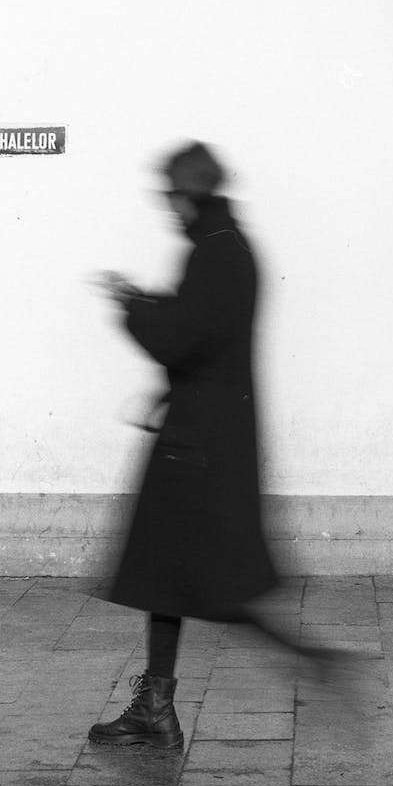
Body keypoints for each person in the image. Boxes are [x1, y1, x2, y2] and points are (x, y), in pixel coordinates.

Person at [88, 141, 280, 750]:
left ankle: (321, 668)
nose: (168, 208)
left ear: (189, 193)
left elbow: (181, 340)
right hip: (201, 436)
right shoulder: (225, 248)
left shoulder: (215, 255)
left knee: (190, 581)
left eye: (171, 195)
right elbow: (200, 331)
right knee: (169, 578)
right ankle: (156, 706)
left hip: (196, 448)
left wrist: (131, 308)